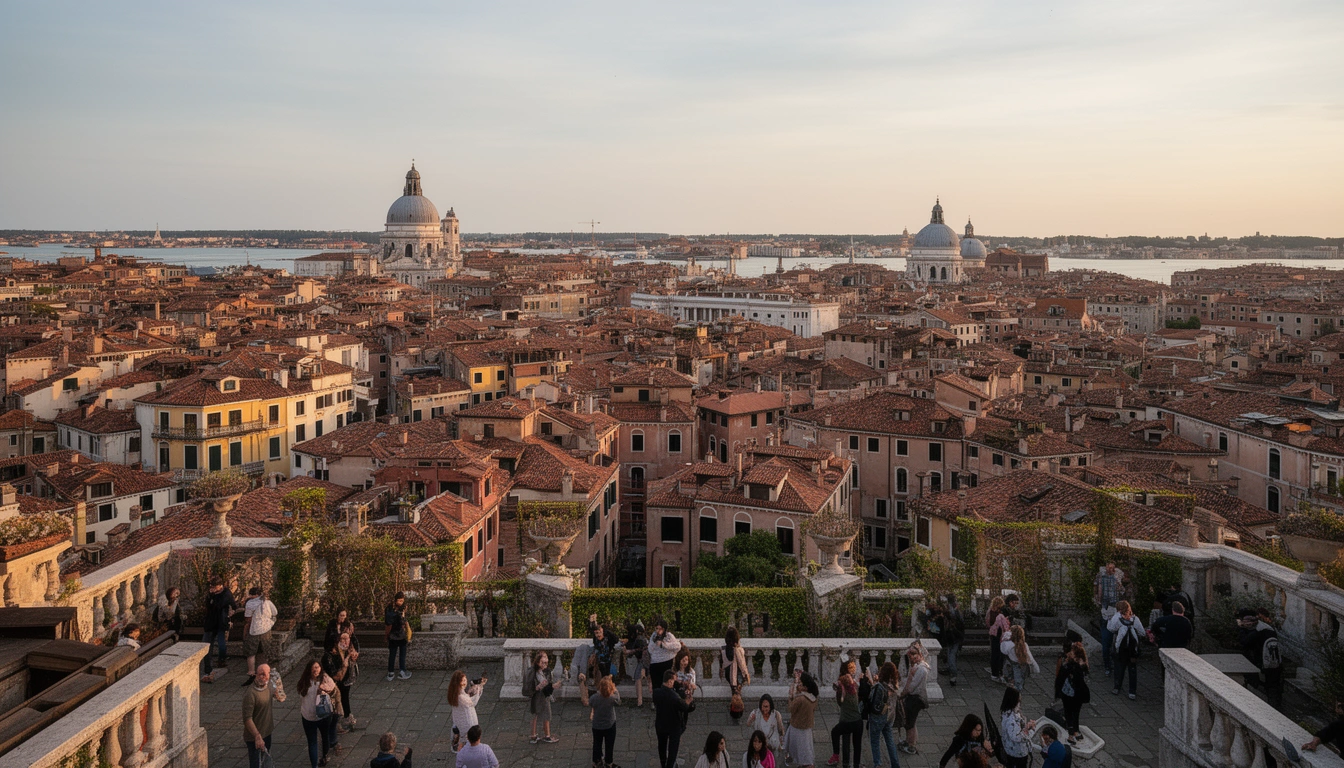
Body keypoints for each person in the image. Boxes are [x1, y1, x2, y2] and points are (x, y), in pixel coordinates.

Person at [298, 659, 340, 768]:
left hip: (311, 716)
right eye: (314, 668)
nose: (316, 670)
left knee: (316, 740)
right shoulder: (323, 680)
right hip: (319, 715)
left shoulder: (304, 682)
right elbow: (334, 689)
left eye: (317, 667)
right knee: (320, 738)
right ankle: (322, 758)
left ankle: (317, 762)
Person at [1237, 608, 1283, 708]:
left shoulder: (1258, 632)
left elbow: (1244, 642)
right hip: (1273, 664)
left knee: (1268, 690)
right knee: (1272, 689)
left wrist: (1241, 628)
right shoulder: (1266, 628)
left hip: (1262, 664)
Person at [243, 663, 286, 768]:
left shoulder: (269, 686)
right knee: (256, 764)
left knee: (266, 762)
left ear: (268, 675)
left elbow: (281, 698)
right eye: (259, 674)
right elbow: (247, 718)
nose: (261, 677)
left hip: (267, 732)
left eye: (264, 674)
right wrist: (257, 736)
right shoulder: (251, 694)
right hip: (254, 737)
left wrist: (279, 683)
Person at [655, 669, 695, 768]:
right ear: (670, 682)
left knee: (662, 746)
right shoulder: (674, 698)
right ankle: (669, 765)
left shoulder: (656, 693)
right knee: (673, 749)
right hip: (674, 726)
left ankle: (663, 763)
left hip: (661, 724)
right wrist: (688, 700)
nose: (675, 682)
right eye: (674, 681)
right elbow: (685, 707)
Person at [826, 660, 862, 768]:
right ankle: (856, 765)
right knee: (857, 745)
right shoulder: (855, 688)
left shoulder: (843, 689)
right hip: (858, 721)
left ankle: (839, 758)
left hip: (846, 720)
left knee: (836, 733)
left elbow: (839, 702)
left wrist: (839, 689)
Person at [322, 631, 360, 733]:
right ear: (336, 641)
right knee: (335, 702)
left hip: (346, 681)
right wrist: (346, 663)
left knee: (345, 697)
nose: (346, 641)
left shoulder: (346, 650)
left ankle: (347, 716)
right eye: (343, 639)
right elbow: (337, 676)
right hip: (334, 683)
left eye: (347, 638)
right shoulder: (330, 656)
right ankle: (336, 723)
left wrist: (353, 658)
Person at [1107, 600, 1145, 700]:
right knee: (1132, 670)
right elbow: (1142, 632)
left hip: (1121, 648)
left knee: (1119, 668)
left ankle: (1117, 687)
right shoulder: (1135, 619)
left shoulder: (1117, 618)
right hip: (1132, 649)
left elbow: (1111, 628)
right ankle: (1132, 691)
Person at [866, 661, 901, 768]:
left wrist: (871, 681)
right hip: (890, 716)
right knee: (889, 740)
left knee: (875, 740)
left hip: (879, 717)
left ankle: (878, 763)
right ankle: (895, 764)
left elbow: (874, 701)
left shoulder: (880, 686)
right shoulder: (895, 685)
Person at [201, 576, 237, 683]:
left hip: (221, 623)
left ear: (220, 586)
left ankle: (221, 660)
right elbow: (208, 606)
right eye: (211, 586)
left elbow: (220, 605)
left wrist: (213, 597)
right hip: (210, 624)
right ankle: (208, 668)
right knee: (206, 646)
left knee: (221, 644)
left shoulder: (226, 594)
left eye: (214, 586)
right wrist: (211, 596)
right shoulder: (211, 594)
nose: (212, 588)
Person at [1054, 642, 1090, 745]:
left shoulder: (1072, 665)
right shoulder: (1083, 665)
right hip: (1078, 693)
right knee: (1075, 713)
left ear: (1075, 654)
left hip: (1070, 693)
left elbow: (1061, 676)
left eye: (1072, 651)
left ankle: (1071, 735)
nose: (1069, 653)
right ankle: (1076, 731)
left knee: (1069, 713)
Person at [582, 675, 622, 768]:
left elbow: (590, 703)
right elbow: (619, 701)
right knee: (609, 745)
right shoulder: (612, 698)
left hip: (597, 725)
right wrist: (615, 689)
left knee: (597, 744)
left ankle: (596, 761)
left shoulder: (594, 698)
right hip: (610, 724)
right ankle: (609, 762)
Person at [242, 586, 277, 687]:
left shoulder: (250, 603)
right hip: (266, 629)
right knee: (264, 651)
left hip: (254, 630)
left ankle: (252, 673)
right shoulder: (267, 602)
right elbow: (275, 612)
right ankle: (265, 674)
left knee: (251, 652)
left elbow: (247, 618)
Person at [1094, 562, 1125, 675]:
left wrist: (1118, 582)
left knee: (1117, 641)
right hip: (1106, 611)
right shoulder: (1101, 576)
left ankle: (1115, 663)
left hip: (1115, 612)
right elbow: (1096, 586)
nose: (1109, 570)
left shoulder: (1117, 576)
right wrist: (1097, 598)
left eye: (1112, 568)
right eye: (1108, 567)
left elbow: (1122, 591)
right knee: (1106, 642)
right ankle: (1107, 665)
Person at [898, 644, 930, 756]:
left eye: (914, 654)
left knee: (910, 723)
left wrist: (902, 695)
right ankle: (909, 742)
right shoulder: (917, 666)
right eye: (910, 654)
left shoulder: (921, 669)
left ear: (920, 654)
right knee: (910, 722)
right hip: (914, 698)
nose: (911, 656)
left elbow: (911, 687)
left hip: (915, 699)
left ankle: (911, 745)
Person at [447, 669, 487, 752]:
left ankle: (460, 749)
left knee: (461, 738)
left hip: (459, 718)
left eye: (465, 679)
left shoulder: (454, 692)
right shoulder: (460, 697)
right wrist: (479, 687)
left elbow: (467, 696)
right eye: (463, 681)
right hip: (466, 721)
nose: (465, 682)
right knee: (467, 740)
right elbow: (472, 702)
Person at [785, 671, 818, 768]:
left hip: (797, 727)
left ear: (805, 687)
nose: (798, 685)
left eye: (800, 684)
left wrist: (791, 696)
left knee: (797, 750)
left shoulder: (801, 699)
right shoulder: (812, 697)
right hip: (807, 728)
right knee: (807, 751)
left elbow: (791, 708)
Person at [525, 650, 559, 743]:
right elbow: (533, 686)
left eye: (546, 662)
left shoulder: (537, 670)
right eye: (543, 662)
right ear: (537, 662)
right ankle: (547, 736)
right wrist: (540, 686)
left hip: (538, 696)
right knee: (545, 714)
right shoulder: (535, 672)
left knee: (535, 715)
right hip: (539, 696)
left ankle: (534, 736)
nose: (545, 664)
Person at [999, 687, 1036, 768]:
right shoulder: (1011, 719)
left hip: (1011, 750)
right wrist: (1030, 729)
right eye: (1019, 700)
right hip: (1017, 753)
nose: (1020, 703)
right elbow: (1017, 737)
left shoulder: (1007, 712)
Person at [1000, 625, 1040, 691]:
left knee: (1014, 678)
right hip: (1023, 664)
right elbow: (1030, 657)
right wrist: (1035, 667)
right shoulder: (1024, 645)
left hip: (1013, 663)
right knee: (1020, 680)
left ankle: (1015, 690)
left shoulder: (1008, 645)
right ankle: (1018, 691)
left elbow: (1003, 650)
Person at [649, 618, 682, 693]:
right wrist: (655, 642)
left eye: (660, 629)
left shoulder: (669, 636)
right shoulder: (653, 636)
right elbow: (650, 649)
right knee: (656, 685)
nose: (658, 630)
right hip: (655, 663)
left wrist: (665, 645)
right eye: (656, 628)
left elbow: (677, 646)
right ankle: (657, 702)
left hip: (666, 661)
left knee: (666, 684)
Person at [385, 592, 411, 682]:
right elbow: (389, 624)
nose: (401, 602)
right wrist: (387, 635)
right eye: (399, 600)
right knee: (393, 654)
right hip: (394, 634)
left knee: (401, 654)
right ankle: (392, 671)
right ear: (395, 600)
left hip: (400, 634)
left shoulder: (398, 609)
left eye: (402, 601)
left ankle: (400, 670)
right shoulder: (391, 610)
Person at [588, 614, 622, 683]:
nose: (598, 635)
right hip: (600, 661)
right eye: (596, 634)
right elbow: (593, 629)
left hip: (609, 660)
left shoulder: (608, 638)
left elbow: (616, 639)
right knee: (601, 675)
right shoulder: (596, 639)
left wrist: (606, 631)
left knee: (609, 676)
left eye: (599, 633)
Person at [940, 595, 965, 686]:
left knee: (951, 655)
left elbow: (954, 620)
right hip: (954, 635)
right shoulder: (956, 608)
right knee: (950, 653)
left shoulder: (953, 610)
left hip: (954, 635)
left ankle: (953, 675)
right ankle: (951, 671)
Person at [625, 623, 651, 707]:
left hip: (643, 662)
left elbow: (635, 651)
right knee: (650, 680)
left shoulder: (638, 640)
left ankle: (640, 701)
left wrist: (629, 651)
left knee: (637, 678)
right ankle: (654, 702)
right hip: (650, 661)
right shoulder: (646, 639)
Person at [985, 596, 1007, 681]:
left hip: (992, 635)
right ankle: (998, 672)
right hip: (999, 635)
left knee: (994, 654)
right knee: (999, 655)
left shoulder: (989, 612)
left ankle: (994, 673)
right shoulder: (1000, 614)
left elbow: (987, 623)